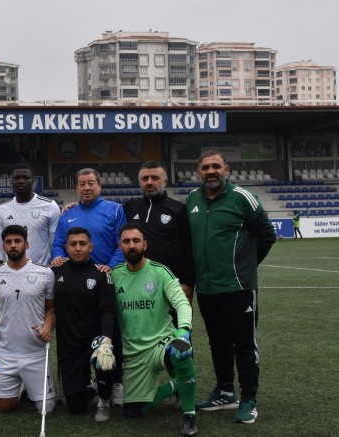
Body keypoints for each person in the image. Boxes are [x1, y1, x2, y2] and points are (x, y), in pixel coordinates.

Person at [186, 150, 275, 424]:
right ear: (198, 172)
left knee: (245, 345)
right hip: (208, 290)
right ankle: (225, 391)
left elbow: (266, 235)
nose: (210, 171)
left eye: (216, 166)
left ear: (227, 169)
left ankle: (249, 399)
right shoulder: (192, 200)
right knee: (218, 343)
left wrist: (246, 267)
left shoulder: (242, 198)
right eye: (205, 168)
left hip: (239, 288)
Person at [110, 223, 198, 436]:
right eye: (127, 241)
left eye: (136, 241)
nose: (132, 245)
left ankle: (190, 416)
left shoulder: (160, 272)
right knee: (134, 411)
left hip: (162, 342)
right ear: (120, 246)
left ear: (145, 244)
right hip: (134, 354)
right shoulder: (114, 276)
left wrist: (183, 331)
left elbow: (182, 303)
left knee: (182, 351)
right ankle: (174, 387)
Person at [0, 225, 56, 414]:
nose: (13, 245)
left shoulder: (45, 273)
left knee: (46, 409)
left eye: (18, 241)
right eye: (8, 242)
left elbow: (51, 308)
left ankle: (25, 382)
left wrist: (48, 326)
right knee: (2, 407)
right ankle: (18, 384)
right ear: (3, 246)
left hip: (36, 352)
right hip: (6, 353)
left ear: (27, 244)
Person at [52, 227, 117, 421]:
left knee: (105, 360)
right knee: (75, 407)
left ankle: (105, 400)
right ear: (66, 248)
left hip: (94, 341)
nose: (78, 248)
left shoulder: (101, 274)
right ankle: (93, 387)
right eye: (73, 244)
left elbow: (107, 311)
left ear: (91, 246)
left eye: (82, 244)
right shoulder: (55, 271)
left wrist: (106, 340)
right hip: (69, 345)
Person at [122, 161, 196, 302]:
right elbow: (108, 214)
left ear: (165, 181)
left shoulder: (179, 209)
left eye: (155, 178)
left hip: (172, 283)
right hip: (137, 281)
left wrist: (188, 283)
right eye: (145, 179)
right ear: (139, 182)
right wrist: (77, 205)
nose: (149, 182)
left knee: (175, 323)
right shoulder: (130, 207)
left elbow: (189, 248)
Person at [52, 168, 126, 272]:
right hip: (74, 275)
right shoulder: (67, 213)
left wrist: (111, 266)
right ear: (76, 188)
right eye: (82, 184)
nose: (86, 188)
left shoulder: (116, 210)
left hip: (107, 274)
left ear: (99, 186)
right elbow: (59, 244)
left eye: (91, 183)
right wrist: (57, 257)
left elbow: (123, 243)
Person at [0, 164, 61, 266]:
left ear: (33, 181)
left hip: (40, 271)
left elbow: (55, 242)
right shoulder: (2, 209)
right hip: (11, 273)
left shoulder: (50, 206)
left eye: (25, 177)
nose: (21, 181)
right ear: (12, 182)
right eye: (17, 178)